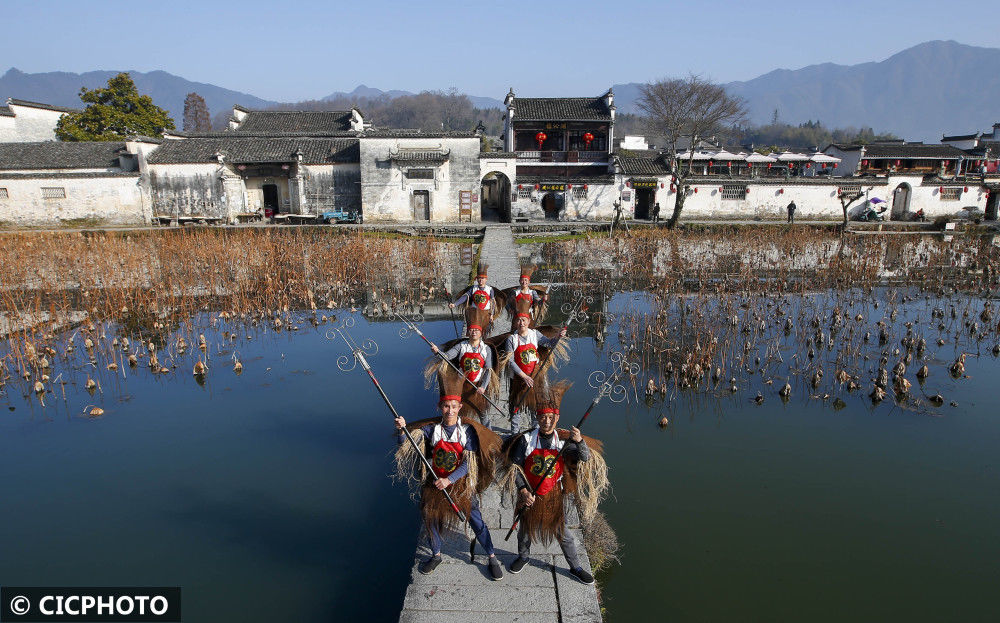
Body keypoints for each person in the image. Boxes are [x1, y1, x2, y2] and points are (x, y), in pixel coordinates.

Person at [394, 372, 504, 580]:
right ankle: (436, 555)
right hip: (435, 483)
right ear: (440, 407)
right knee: (431, 519)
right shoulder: (430, 430)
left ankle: (491, 555)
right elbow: (406, 446)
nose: (450, 410)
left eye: (454, 406)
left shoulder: (467, 432)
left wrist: (450, 480)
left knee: (476, 520)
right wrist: (401, 431)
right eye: (446, 406)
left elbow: (468, 465)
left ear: (460, 407)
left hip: (460, 484)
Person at [502, 380, 608, 585]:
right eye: (543, 417)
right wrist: (523, 490)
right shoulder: (526, 441)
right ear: (537, 418)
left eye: (551, 417)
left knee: (564, 534)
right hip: (530, 495)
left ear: (557, 418)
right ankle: (523, 557)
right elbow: (514, 470)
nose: (547, 421)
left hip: (553, 496)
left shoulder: (563, 441)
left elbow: (584, 458)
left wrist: (579, 441)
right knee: (525, 530)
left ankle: (575, 567)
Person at [431, 307, 497, 425]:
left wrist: (483, 386)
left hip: (477, 386)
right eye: (471, 330)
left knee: (483, 413)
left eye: (476, 330)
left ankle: (488, 434)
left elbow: (488, 370)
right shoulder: (462, 346)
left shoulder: (486, 349)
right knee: (461, 414)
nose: (474, 332)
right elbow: (447, 356)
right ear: (468, 332)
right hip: (461, 385)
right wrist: (438, 352)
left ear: (481, 332)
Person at [505, 309, 566, 430]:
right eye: (518, 320)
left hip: (535, 377)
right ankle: (514, 434)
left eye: (524, 320)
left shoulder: (535, 334)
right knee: (516, 407)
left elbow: (549, 344)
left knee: (535, 405)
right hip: (519, 378)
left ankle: (535, 431)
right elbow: (510, 362)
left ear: (528, 321)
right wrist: (524, 376)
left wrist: (558, 336)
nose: (521, 323)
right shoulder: (511, 339)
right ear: (515, 322)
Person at [504, 264, 549, 328]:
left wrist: (543, 300)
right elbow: (507, 303)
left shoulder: (532, 292)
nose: (524, 282)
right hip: (517, 317)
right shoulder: (515, 292)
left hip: (529, 317)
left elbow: (538, 302)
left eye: (526, 280)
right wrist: (510, 309)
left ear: (529, 282)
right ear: (519, 281)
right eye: (522, 280)